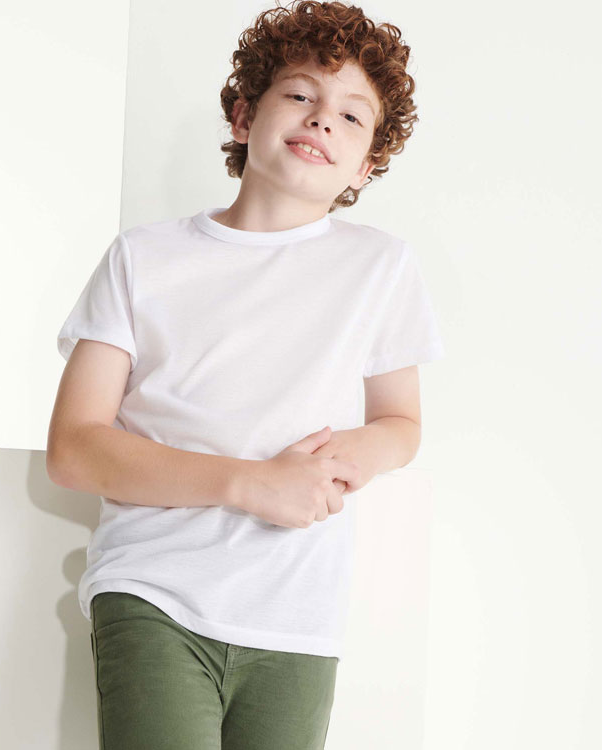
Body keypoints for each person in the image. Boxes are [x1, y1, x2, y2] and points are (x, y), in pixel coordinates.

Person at [46, 2, 446, 748]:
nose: (322, 118)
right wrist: (253, 483)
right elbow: (74, 449)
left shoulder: (381, 267)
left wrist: (341, 460)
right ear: (242, 115)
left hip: (298, 614)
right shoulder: (143, 258)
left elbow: (401, 424)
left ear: (367, 166)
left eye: (352, 116)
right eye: (299, 94)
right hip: (155, 591)